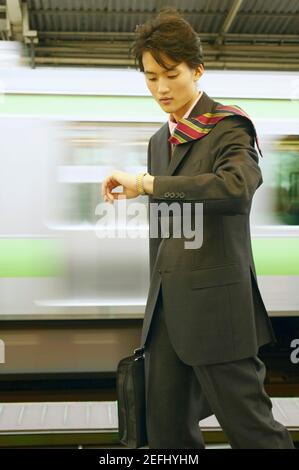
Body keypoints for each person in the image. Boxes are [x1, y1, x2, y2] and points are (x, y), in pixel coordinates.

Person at [101, 8, 295, 449]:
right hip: (166, 315)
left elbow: (235, 189)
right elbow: (168, 226)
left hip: (217, 311)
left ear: (197, 70)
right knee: (166, 435)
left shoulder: (228, 126)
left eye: (171, 74)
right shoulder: (158, 141)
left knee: (253, 431)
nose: (161, 88)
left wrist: (148, 184)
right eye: (151, 77)